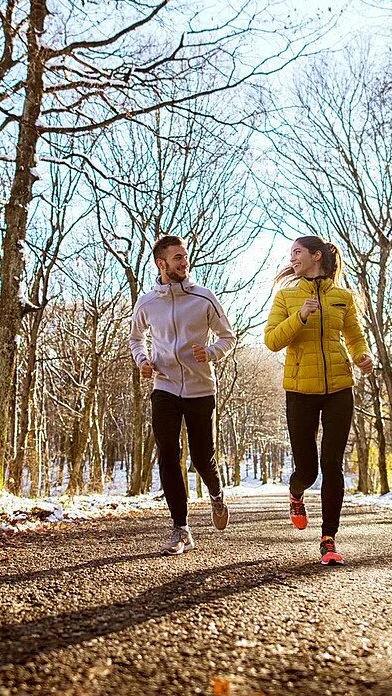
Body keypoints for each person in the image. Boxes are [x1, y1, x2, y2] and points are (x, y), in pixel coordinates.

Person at [264, 235, 373, 565]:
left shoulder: (343, 297)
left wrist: (363, 356)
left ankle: (329, 538)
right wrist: (299, 317)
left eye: (297, 252)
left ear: (316, 256)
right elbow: (271, 341)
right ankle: (296, 493)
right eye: (291, 254)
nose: (293, 258)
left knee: (332, 464)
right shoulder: (286, 297)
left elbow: (354, 335)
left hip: (339, 387)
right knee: (308, 470)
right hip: (299, 391)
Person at [130, 235, 237, 555]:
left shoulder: (204, 298)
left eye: (185, 257)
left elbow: (228, 337)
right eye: (177, 258)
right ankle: (181, 528)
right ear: (161, 264)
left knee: (203, 458)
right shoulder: (147, 302)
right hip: (164, 386)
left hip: (200, 388)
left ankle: (216, 494)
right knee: (168, 454)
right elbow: (136, 339)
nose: (184, 262)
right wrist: (143, 361)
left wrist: (211, 352)